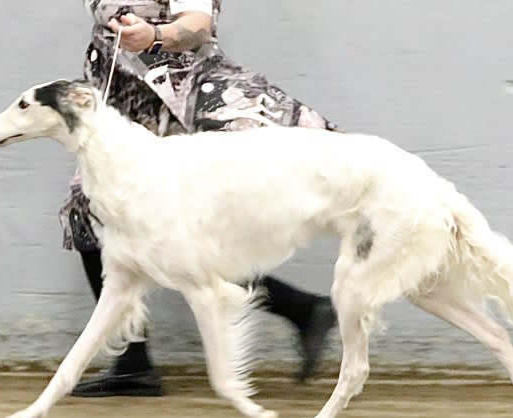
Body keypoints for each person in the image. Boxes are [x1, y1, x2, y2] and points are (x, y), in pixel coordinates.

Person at [65, 0, 340, 397]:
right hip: (123, 100)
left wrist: (156, 35)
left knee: (165, 235)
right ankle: (134, 361)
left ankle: (135, 363)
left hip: (175, 103)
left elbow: (199, 22)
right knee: (90, 214)